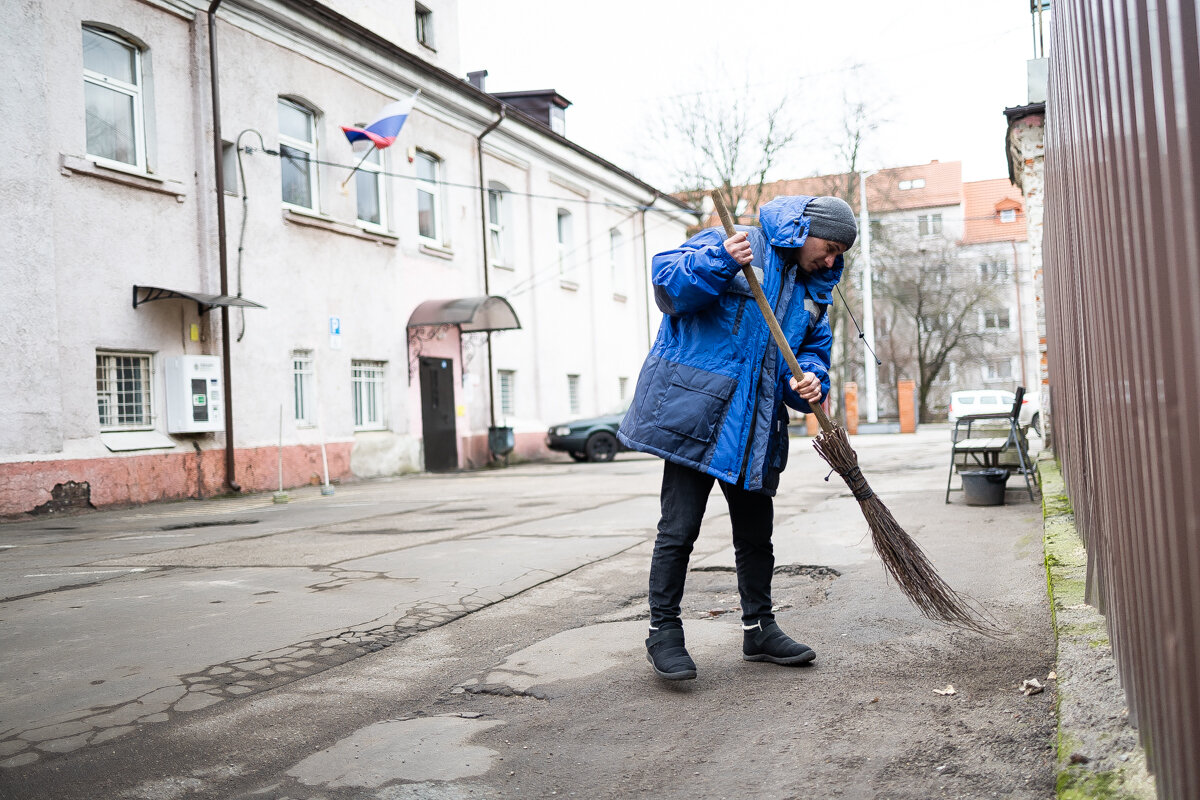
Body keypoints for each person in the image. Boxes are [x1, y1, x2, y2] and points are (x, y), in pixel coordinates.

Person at [617, 195, 857, 681]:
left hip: (756, 426)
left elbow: (812, 353)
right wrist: (722, 259)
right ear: (803, 230)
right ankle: (663, 633)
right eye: (829, 248)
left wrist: (810, 380)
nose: (832, 261)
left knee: (755, 535)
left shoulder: (815, 293)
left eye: (839, 254)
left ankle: (759, 629)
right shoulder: (737, 243)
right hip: (697, 415)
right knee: (679, 529)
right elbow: (668, 286)